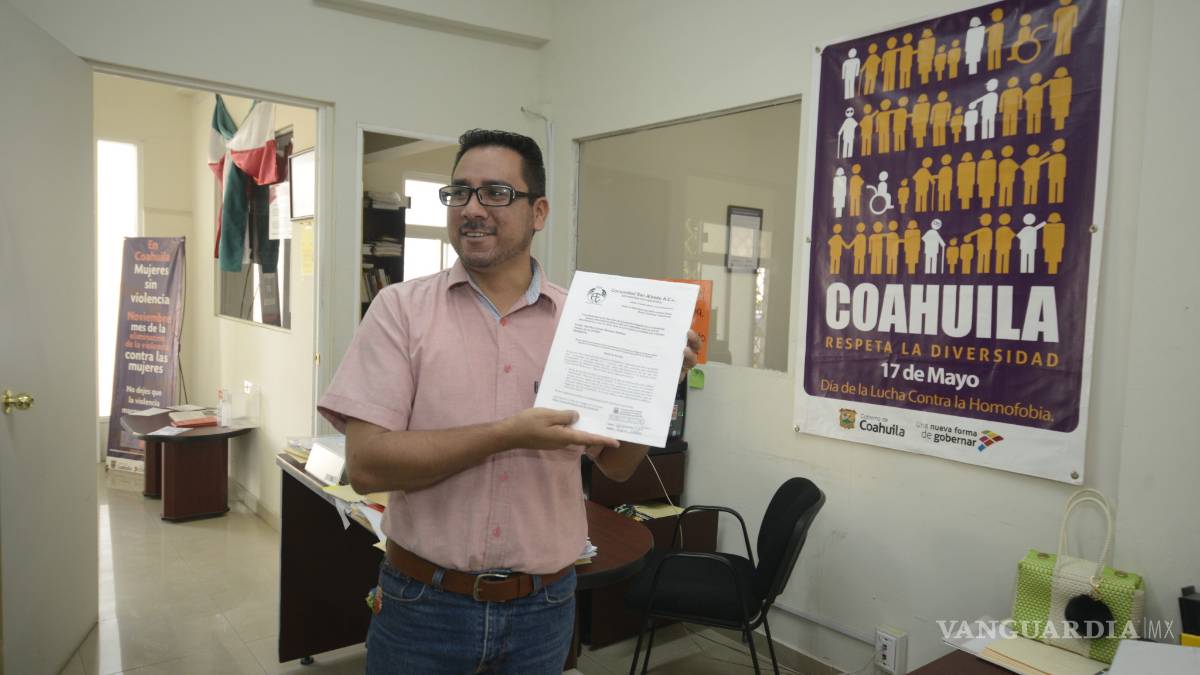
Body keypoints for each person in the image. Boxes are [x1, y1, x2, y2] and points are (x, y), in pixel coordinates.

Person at [318, 129, 700, 674]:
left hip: (543, 610)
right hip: (422, 605)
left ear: (538, 212)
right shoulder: (399, 310)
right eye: (460, 192)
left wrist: (654, 390)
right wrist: (506, 435)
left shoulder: (584, 325)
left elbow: (617, 467)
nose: (472, 209)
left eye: (496, 193)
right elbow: (366, 466)